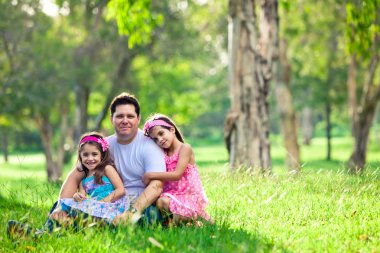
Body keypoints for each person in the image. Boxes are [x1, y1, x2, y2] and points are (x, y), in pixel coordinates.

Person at [7, 92, 166, 238]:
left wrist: (130, 213)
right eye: (120, 116)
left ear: (138, 119)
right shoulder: (102, 146)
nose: (125, 120)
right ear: (112, 119)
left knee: (152, 217)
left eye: (130, 116)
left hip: (138, 205)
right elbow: (76, 175)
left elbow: (156, 186)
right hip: (106, 205)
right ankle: (41, 235)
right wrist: (61, 207)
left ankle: (82, 226)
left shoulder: (149, 146)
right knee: (64, 203)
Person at [142, 114, 212, 226]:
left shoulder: (185, 148)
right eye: (155, 139)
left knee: (163, 202)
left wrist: (150, 175)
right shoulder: (162, 153)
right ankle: (185, 223)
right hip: (170, 195)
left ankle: (197, 218)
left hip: (187, 196)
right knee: (160, 202)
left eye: (161, 133)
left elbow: (177, 175)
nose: (160, 140)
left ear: (172, 129)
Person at [51, 131, 129, 225]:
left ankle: (80, 223)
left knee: (94, 217)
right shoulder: (83, 180)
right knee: (59, 209)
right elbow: (82, 196)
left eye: (94, 154)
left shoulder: (107, 169)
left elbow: (120, 190)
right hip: (95, 207)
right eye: (85, 155)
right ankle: (73, 224)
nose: (90, 158)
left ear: (102, 155)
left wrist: (102, 203)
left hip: (111, 205)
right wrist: (77, 196)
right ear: (80, 156)